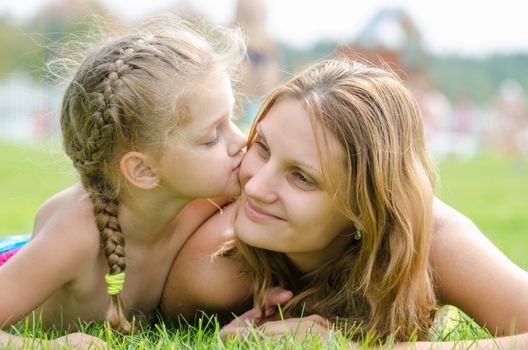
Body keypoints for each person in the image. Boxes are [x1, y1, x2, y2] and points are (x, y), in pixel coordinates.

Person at [161, 59, 528, 348]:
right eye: (263, 147)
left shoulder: (430, 238)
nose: (256, 186)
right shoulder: (217, 267)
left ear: (365, 211)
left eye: (301, 177)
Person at [0, 16, 247, 348]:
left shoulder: (204, 200)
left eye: (232, 120)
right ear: (143, 171)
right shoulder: (76, 237)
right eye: (211, 138)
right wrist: (48, 345)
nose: (241, 141)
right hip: (15, 259)